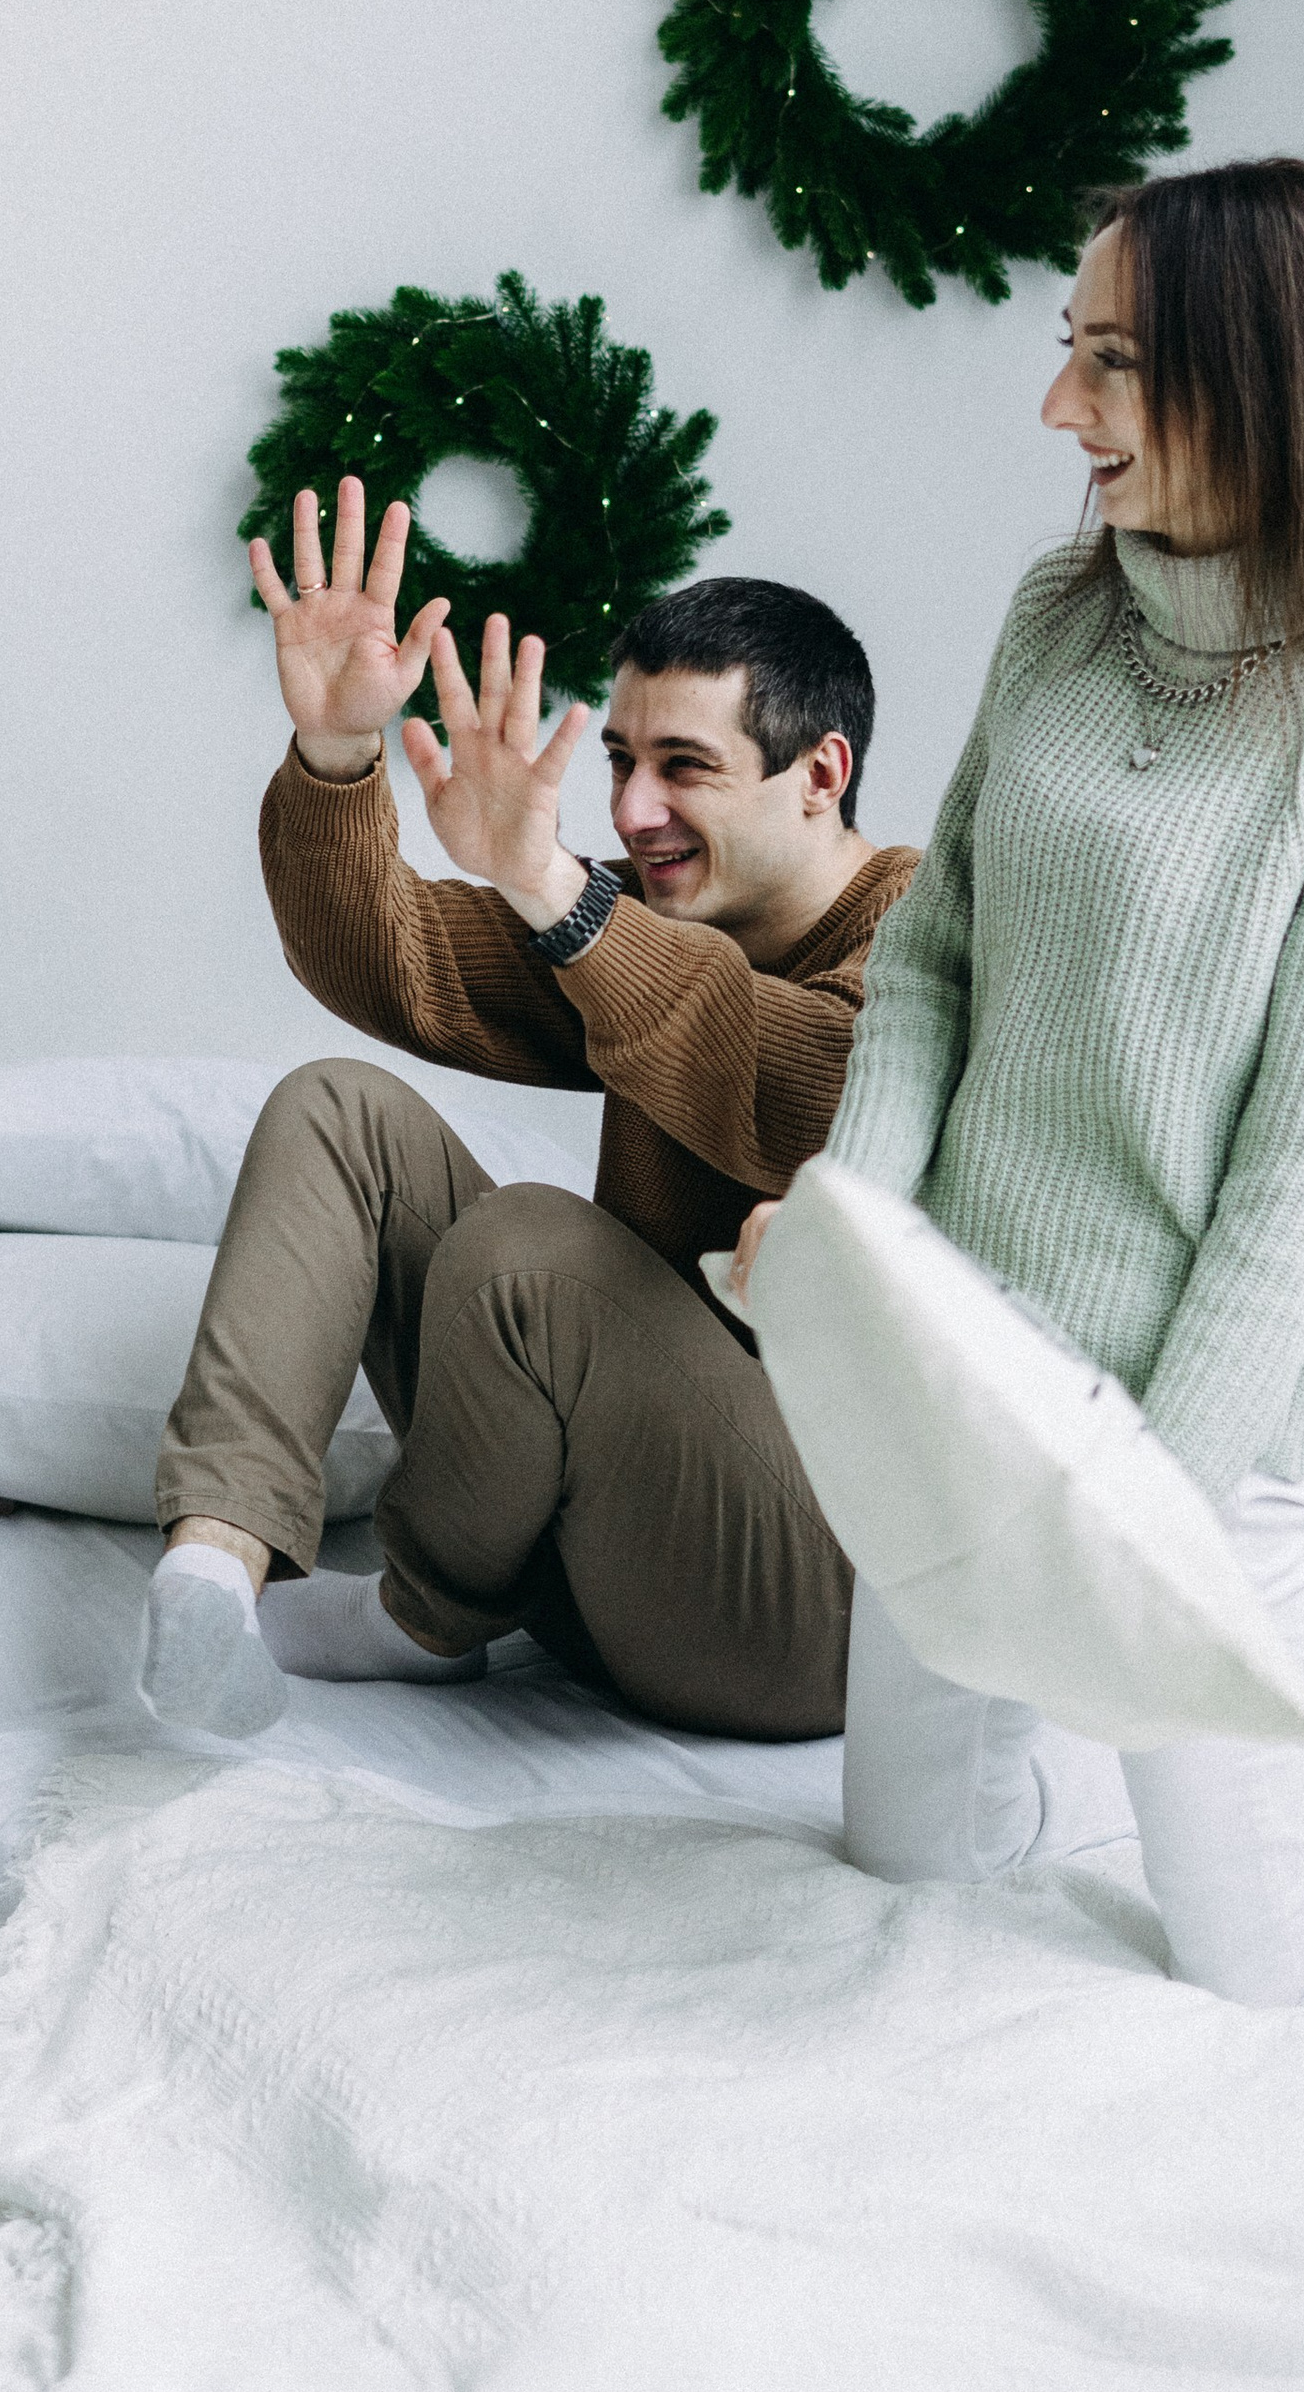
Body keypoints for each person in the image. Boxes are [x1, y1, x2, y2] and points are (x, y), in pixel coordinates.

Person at [736, 158, 1304, 2005]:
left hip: (1194, 1433)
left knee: (1272, 1978)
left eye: (1111, 361)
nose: (1058, 407)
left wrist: (1137, 1519)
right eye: (1070, 348)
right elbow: (933, 961)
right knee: (908, 1883)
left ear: (1259, 381)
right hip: (970, 1371)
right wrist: (855, 1239)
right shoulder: (1059, 613)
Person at [137, 472, 917, 1743]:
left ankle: (419, 1619)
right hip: (600, 1544)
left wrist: (554, 887)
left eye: (683, 767)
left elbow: (798, 1084)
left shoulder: (926, 935)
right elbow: (389, 959)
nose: (633, 811)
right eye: (619, 762)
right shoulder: (655, 914)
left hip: (801, 1615)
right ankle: (215, 1571)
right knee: (339, 1111)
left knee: (535, 1248)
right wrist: (337, 752)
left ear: (819, 772)